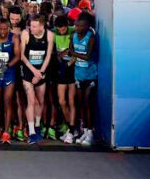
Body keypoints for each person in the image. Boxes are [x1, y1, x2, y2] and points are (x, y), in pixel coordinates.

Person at [20, 15, 54, 144]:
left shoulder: (50, 35)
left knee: (40, 100)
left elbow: (48, 55)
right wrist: (34, 72)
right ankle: (31, 131)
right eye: (30, 25)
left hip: (41, 70)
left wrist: (41, 72)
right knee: (31, 100)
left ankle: (38, 126)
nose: (31, 28)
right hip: (29, 69)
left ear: (42, 26)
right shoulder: (25, 33)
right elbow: (22, 56)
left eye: (34, 26)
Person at [0, 17, 21, 144]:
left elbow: (18, 55)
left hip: (9, 72)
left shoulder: (14, 38)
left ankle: (6, 132)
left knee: (7, 101)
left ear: (9, 28)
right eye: (0, 29)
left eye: (5, 29)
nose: (2, 31)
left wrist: (7, 65)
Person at [70, 13, 98, 145]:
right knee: (81, 104)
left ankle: (91, 132)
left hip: (90, 75)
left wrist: (73, 54)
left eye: (81, 26)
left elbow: (87, 56)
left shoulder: (90, 37)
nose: (77, 28)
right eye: (76, 25)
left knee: (88, 104)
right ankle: (85, 131)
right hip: (78, 74)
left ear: (87, 26)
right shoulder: (73, 36)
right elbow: (71, 49)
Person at [52, 15, 77, 143]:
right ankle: (70, 127)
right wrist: (60, 59)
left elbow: (76, 52)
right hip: (61, 70)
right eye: (59, 30)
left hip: (72, 69)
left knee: (71, 101)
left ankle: (72, 130)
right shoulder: (53, 33)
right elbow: (56, 53)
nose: (62, 31)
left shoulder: (73, 31)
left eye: (64, 29)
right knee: (62, 101)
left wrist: (69, 63)